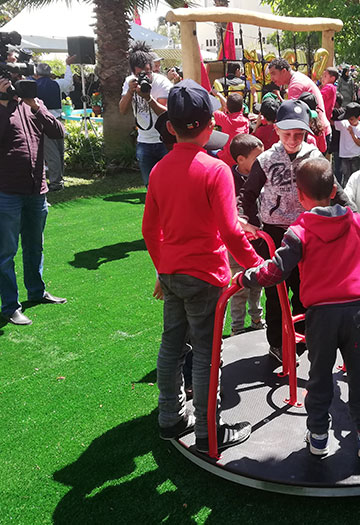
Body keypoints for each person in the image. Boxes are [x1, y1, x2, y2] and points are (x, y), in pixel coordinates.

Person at [239, 157, 360, 459]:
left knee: (320, 378)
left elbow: (277, 270)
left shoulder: (299, 230)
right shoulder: (357, 222)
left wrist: (247, 276)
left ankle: (319, 435)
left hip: (321, 317)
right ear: (334, 189)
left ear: (300, 196)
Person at [142, 79, 264, 453]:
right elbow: (229, 231)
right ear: (211, 124)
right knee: (209, 352)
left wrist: (163, 268)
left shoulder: (160, 169)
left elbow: (150, 229)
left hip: (173, 273)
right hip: (206, 276)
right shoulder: (215, 170)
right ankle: (209, 430)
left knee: (172, 346)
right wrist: (258, 265)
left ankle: (170, 417)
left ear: (171, 127)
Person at [238, 100, 352, 362]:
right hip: (275, 233)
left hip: (308, 231)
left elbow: (335, 190)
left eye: (298, 134)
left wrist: (352, 216)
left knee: (305, 290)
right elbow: (248, 193)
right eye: (287, 134)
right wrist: (250, 221)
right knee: (276, 292)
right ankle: (277, 343)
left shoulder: (314, 157)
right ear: (276, 130)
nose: (292, 140)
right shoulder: (266, 159)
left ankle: (301, 339)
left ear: (306, 133)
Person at [0, 78, 67, 326]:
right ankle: (10, 306)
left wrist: (36, 106)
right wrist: (4, 104)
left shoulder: (34, 105)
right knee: (6, 252)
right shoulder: (3, 108)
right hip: (6, 191)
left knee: (34, 245)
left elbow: (58, 132)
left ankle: (36, 292)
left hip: (37, 190)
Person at [228, 134, 266, 334]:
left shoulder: (261, 175)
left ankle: (257, 318)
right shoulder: (229, 180)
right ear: (240, 159)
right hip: (236, 241)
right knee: (239, 285)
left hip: (257, 238)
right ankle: (237, 326)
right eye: (257, 158)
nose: (261, 162)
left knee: (257, 282)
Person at [119, 41, 172, 187]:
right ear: (132, 73)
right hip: (144, 142)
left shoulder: (162, 82)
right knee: (150, 187)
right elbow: (122, 110)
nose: (145, 77)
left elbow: (166, 114)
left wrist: (148, 98)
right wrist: (130, 92)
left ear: (153, 68)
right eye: (140, 74)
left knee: (168, 185)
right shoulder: (129, 82)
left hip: (164, 142)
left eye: (148, 72)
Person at [34, 57, 76, 192]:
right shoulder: (57, 84)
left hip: (43, 122)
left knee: (51, 153)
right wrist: (68, 66)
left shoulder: (33, 85)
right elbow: (69, 82)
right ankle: (59, 178)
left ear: (37, 74)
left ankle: (56, 182)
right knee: (59, 151)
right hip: (57, 120)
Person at [268, 58, 332, 139]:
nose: (271, 78)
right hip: (318, 130)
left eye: (273, 74)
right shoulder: (297, 78)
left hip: (315, 134)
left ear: (284, 71)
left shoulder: (296, 84)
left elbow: (290, 114)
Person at [333, 102, 360, 186]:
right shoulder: (344, 123)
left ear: (358, 118)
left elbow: (359, 143)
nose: (349, 121)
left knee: (355, 176)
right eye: (348, 119)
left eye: (351, 119)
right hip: (344, 156)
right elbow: (333, 123)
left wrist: (352, 133)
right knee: (346, 176)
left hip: (356, 156)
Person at [213, 93, 250, 167]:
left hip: (226, 158)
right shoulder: (246, 122)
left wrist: (218, 95)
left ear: (226, 108)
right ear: (242, 108)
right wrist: (219, 95)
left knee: (209, 150)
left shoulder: (226, 119)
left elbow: (212, 110)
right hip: (240, 159)